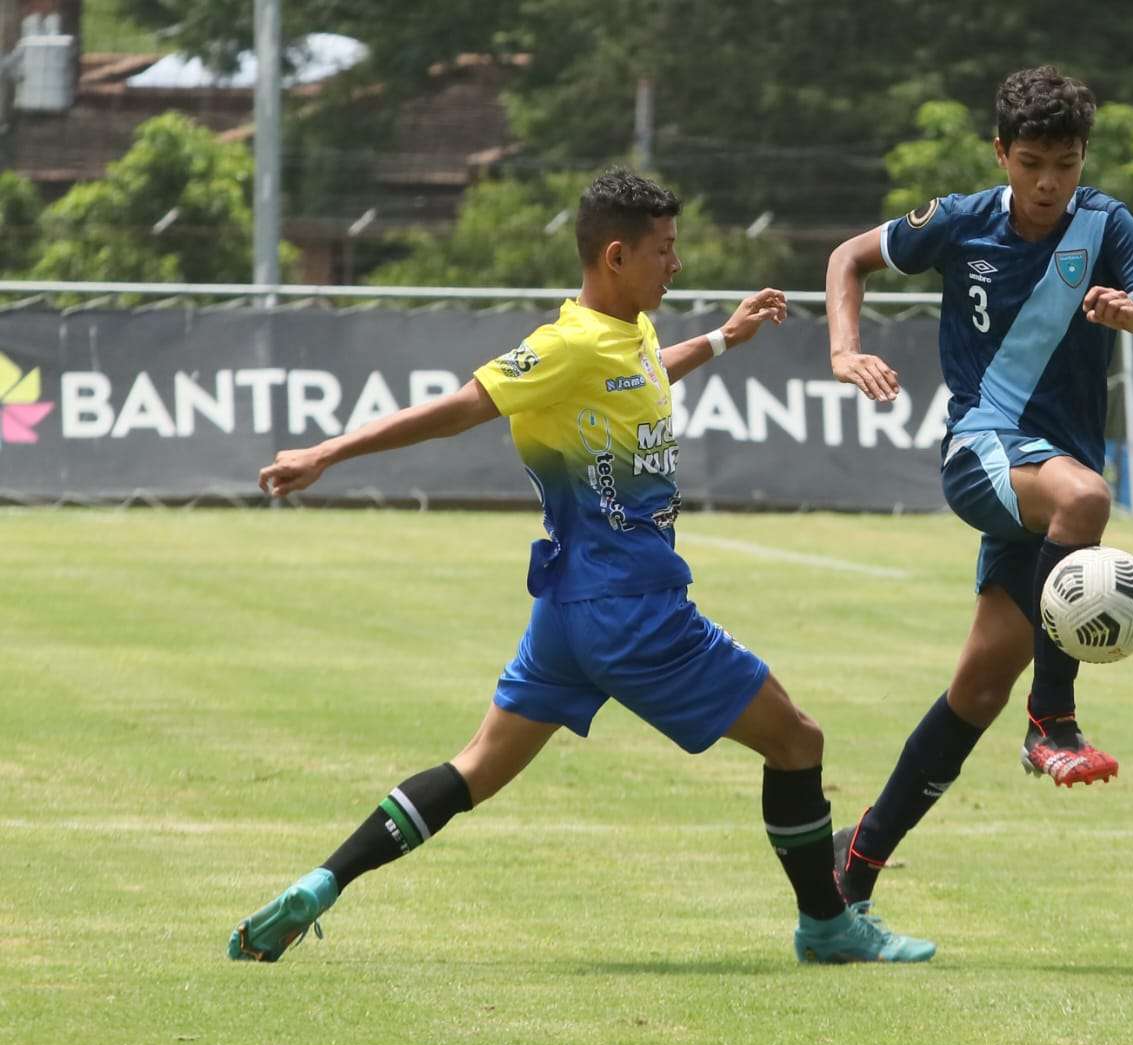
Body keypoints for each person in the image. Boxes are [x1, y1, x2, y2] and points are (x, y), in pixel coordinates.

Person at [228, 167, 933, 966]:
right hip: (633, 611)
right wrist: (327, 451)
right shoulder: (563, 346)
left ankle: (325, 881)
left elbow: (642, 373)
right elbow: (460, 407)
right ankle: (828, 926)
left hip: (565, 613)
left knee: (476, 769)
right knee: (798, 742)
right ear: (614, 255)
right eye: (664, 251)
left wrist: (725, 338)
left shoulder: (619, 330)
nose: (676, 264)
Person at [822, 67, 1133, 906]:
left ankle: (855, 865)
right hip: (982, 454)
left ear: (1082, 158)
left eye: (1065, 164)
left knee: (978, 686)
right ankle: (1053, 722)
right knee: (1088, 499)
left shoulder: (1107, 227)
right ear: (1001, 154)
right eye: (1031, 163)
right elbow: (849, 257)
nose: (1047, 183)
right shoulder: (959, 223)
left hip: (1040, 482)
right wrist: (844, 350)